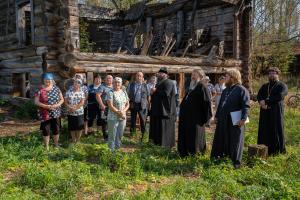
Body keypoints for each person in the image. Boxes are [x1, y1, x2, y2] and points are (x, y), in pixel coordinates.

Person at [211, 69, 250, 169]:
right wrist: (216, 116)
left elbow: (245, 106)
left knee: (235, 140)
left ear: (233, 78)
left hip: (235, 120)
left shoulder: (242, 90)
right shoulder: (225, 90)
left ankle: (235, 163)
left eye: (227, 77)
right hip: (223, 119)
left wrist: (243, 118)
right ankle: (219, 158)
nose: (225, 79)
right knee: (222, 138)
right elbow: (220, 105)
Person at [178, 69, 212, 157]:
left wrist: (206, 118)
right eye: (192, 75)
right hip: (187, 117)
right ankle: (185, 152)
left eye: (195, 75)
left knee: (195, 136)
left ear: (200, 76)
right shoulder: (191, 87)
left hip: (196, 118)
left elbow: (207, 102)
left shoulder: (202, 87)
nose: (192, 77)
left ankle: (195, 153)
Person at [257, 67, 288, 155]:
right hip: (264, 111)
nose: (271, 75)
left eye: (273, 73)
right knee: (265, 129)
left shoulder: (282, 85)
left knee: (276, 129)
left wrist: (266, 101)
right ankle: (264, 149)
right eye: (270, 73)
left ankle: (277, 151)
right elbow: (259, 95)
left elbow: (280, 96)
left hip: (276, 111)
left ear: (277, 74)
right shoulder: (265, 86)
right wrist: (261, 102)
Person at [34, 73, 64, 150]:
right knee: (46, 130)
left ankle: (56, 145)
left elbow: (62, 99)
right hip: (44, 113)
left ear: (52, 81)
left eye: (49, 81)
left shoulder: (56, 88)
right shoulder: (39, 89)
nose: (48, 82)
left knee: (56, 129)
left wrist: (56, 105)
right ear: (43, 80)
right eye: (46, 81)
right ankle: (47, 147)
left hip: (55, 112)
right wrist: (46, 106)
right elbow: (36, 102)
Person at [149, 67, 177, 148]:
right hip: (158, 110)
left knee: (164, 128)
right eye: (159, 73)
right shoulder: (159, 83)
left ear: (165, 74)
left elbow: (166, 93)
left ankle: (164, 144)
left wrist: (155, 91)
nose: (159, 74)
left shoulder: (169, 82)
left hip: (165, 110)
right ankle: (156, 142)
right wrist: (152, 92)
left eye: (161, 73)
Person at [107, 77, 130, 151]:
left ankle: (117, 149)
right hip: (113, 117)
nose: (117, 84)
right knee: (112, 135)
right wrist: (118, 112)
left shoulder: (124, 92)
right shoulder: (110, 92)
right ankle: (111, 151)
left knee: (120, 134)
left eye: (118, 82)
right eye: (115, 82)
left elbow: (127, 104)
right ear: (113, 83)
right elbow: (110, 106)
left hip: (122, 117)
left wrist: (123, 112)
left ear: (121, 84)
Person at [127, 72, 150, 140]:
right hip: (133, 104)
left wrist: (149, 104)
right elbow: (127, 94)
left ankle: (143, 137)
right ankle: (132, 135)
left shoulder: (146, 85)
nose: (139, 77)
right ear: (135, 77)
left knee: (143, 121)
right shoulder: (131, 85)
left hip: (143, 105)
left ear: (142, 77)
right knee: (133, 121)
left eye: (140, 76)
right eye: (138, 76)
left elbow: (148, 96)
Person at [65, 78, 86, 143]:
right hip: (70, 112)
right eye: (75, 82)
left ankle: (78, 140)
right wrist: (69, 107)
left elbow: (82, 102)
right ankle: (73, 139)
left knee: (79, 127)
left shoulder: (82, 92)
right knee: (72, 127)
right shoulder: (68, 91)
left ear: (80, 85)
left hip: (79, 112)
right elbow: (65, 101)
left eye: (78, 82)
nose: (76, 84)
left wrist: (75, 108)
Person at [96, 75, 114, 140]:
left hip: (113, 107)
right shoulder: (102, 87)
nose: (109, 79)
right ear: (105, 80)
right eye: (107, 78)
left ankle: (111, 136)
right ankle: (106, 137)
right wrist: (102, 105)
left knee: (112, 121)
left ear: (112, 80)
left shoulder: (114, 87)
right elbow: (98, 96)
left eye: (110, 78)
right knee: (104, 122)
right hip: (104, 107)